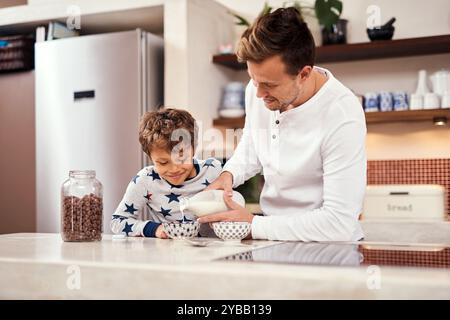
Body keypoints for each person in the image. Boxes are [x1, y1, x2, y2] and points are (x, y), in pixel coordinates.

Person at [200, 7, 367, 242]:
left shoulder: (342, 114)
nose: (258, 94)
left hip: (327, 249)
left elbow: (339, 224)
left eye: (269, 84)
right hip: (271, 237)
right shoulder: (257, 89)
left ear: (304, 74)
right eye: (253, 79)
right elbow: (253, 143)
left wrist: (253, 225)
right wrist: (229, 174)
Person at [111, 108, 222, 238]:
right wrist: (154, 229)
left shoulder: (213, 170)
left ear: (194, 147)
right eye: (163, 163)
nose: (174, 169)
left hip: (214, 252)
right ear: (150, 158)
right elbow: (117, 222)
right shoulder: (146, 180)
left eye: (181, 158)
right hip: (169, 255)